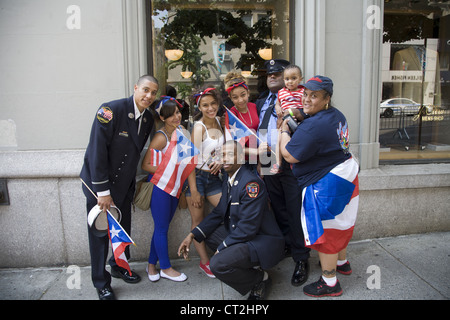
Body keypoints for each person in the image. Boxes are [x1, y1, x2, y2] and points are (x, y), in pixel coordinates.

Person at [280, 75, 359, 297]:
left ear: (327, 98)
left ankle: (330, 282)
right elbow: (307, 113)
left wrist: (285, 131)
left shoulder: (314, 126)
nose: (306, 99)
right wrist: (299, 111)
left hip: (328, 183)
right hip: (347, 175)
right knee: (341, 223)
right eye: (305, 94)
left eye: (313, 96)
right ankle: (342, 262)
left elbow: (289, 155)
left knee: (327, 233)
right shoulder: (336, 114)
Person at [80, 75, 159, 300]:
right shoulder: (110, 110)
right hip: (100, 186)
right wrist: (102, 192)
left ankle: (119, 265)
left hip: (124, 184)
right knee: (100, 235)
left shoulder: (148, 118)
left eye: (153, 93)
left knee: (122, 230)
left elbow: (133, 154)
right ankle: (100, 282)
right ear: (135, 88)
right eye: (145, 90)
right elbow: (97, 151)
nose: (149, 96)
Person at [178, 141, 285, 300]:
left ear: (241, 158)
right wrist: (192, 235)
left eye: (230, 154)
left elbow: (248, 228)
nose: (225, 159)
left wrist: (222, 248)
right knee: (208, 233)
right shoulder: (229, 180)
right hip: (247, 236)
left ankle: (260, 279)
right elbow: (219, 213)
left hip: (262, 240)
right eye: (222, 155)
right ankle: (248, 265)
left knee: (217, 264)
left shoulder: (250, 183)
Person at [256, 59, 311, 287]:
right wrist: (260, 161)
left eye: (278, 73)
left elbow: (309, 125)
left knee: (294, 209)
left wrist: (296, 113)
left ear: (292, 77)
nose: (272, 77)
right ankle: (287, 244)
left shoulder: (302, 99)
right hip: (267, 158)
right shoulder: (263, 101)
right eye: (270, 74)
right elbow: (261, 130)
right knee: (278, 207)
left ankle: (301, 258)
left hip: (290, 160)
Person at [141, 96, 187, 283]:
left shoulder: (181, 132)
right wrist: (170, 170)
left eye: (177, 112)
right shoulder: (161, 138)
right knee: (161, 228)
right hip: (160, 187)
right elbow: (146, 165)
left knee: (162, 227)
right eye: (171, 115)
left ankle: (151, 264)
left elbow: (187, 160)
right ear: (162, 118)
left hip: (174, 187)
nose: (176, 117)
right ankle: (166, 268)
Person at [185, 87, 224, 278]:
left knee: (229, 211)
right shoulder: (198, 127)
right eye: (205, 105)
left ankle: (223, 251)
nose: (210, 108)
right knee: (197, 222)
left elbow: (226, 149)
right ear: (199, 107)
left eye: (213, 103)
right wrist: (193, 190)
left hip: (215, 178)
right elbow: (189, 159)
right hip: (198, 178)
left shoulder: (219, 120)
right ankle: (204, 262)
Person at [271, 64, 305, 174]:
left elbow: (305, 107)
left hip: (298, 120)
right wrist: (278, 109)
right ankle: (278, 163)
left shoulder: (303, 91)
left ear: (300, 79)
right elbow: (277, 103)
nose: (290, 82)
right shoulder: (281, 92)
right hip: (285, 120)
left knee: (296, 141)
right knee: (279, 139)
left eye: (293, 78)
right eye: (287, 79)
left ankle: (294, 162)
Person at [224, 71, 259, 164]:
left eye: (243, 95)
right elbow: (233, 146)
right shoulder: (231, 115)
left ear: (248, 92)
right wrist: (256, 151)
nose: (240, 100)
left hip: (258, 159)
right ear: (230, 98)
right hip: (243, 162)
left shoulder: (254, 107)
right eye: (235, 97)